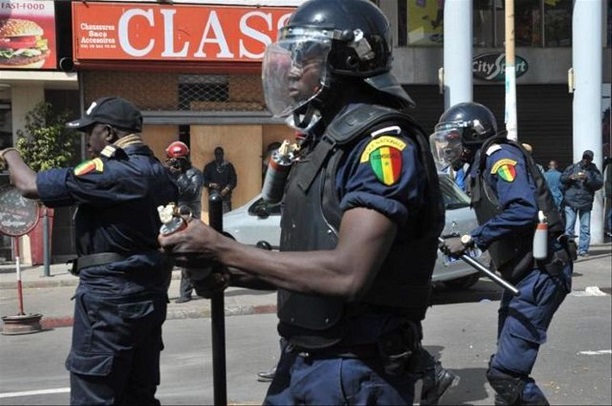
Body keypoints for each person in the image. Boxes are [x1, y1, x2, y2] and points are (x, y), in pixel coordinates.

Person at [159, 1, 453, 404]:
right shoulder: (323, 142)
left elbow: (347, 273)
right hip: (304, 359)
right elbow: (304, 265)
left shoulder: (381, 144)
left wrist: (221, 246)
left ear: (350, 58)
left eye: (307, 57)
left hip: (354, 368)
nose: (293, 69)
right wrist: (225, 269)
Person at [0, 96, 178, 405]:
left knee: (95, 395)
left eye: (89, 133)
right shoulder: (159, 172)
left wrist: (9, 152)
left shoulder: (112, 173)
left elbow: (29, 185)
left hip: (109, 300)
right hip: (148, 294)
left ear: (108, 133)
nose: (88, 144)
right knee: (138, 394)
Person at [435, 102, 573, 405]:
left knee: (507, 375)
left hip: (542, 272)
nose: (447, 147)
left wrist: (472, 238)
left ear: (472, 136)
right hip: (524, 273)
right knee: (507, 377)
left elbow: (523, 209)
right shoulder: (482, 164)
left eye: (452, 140)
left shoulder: (501, 157)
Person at [165, 140, 204, 303]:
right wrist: (168, 173)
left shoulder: (195, 174)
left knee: (188, 256)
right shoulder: (169, 173)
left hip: (190, 219)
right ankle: (162, 292)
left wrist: (178, 175)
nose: (178, 163)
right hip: (171, 219)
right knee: (166, 257)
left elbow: (192, 193)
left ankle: (186, 293)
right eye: (175, 160)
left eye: (181, 160)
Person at [560, 150, 604, 257]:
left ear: (591, 159)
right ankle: (568, 249)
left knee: (585, 227)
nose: (586, 160)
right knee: (569, 227)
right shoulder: (573, 167)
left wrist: (587, 179)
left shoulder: (594, 171)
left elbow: (598, 184)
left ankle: (583, 250)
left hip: (586, 201)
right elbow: (562, 178)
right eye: (585, 157)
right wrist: (570, 178)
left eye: (588, 158)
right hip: (571, 200)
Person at [203, 146, 237, 213]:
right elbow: (203, 180)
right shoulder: (209, 167)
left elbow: (234, 180)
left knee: (227, 217)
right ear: (215, 155)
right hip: (213, 197)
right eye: (217, 154)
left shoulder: (229, 166)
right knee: (214, 217)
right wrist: (211, 185)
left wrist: (227, 189)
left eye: (220, 154)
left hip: (226, 197)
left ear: (223, 154)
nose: (218, 156)